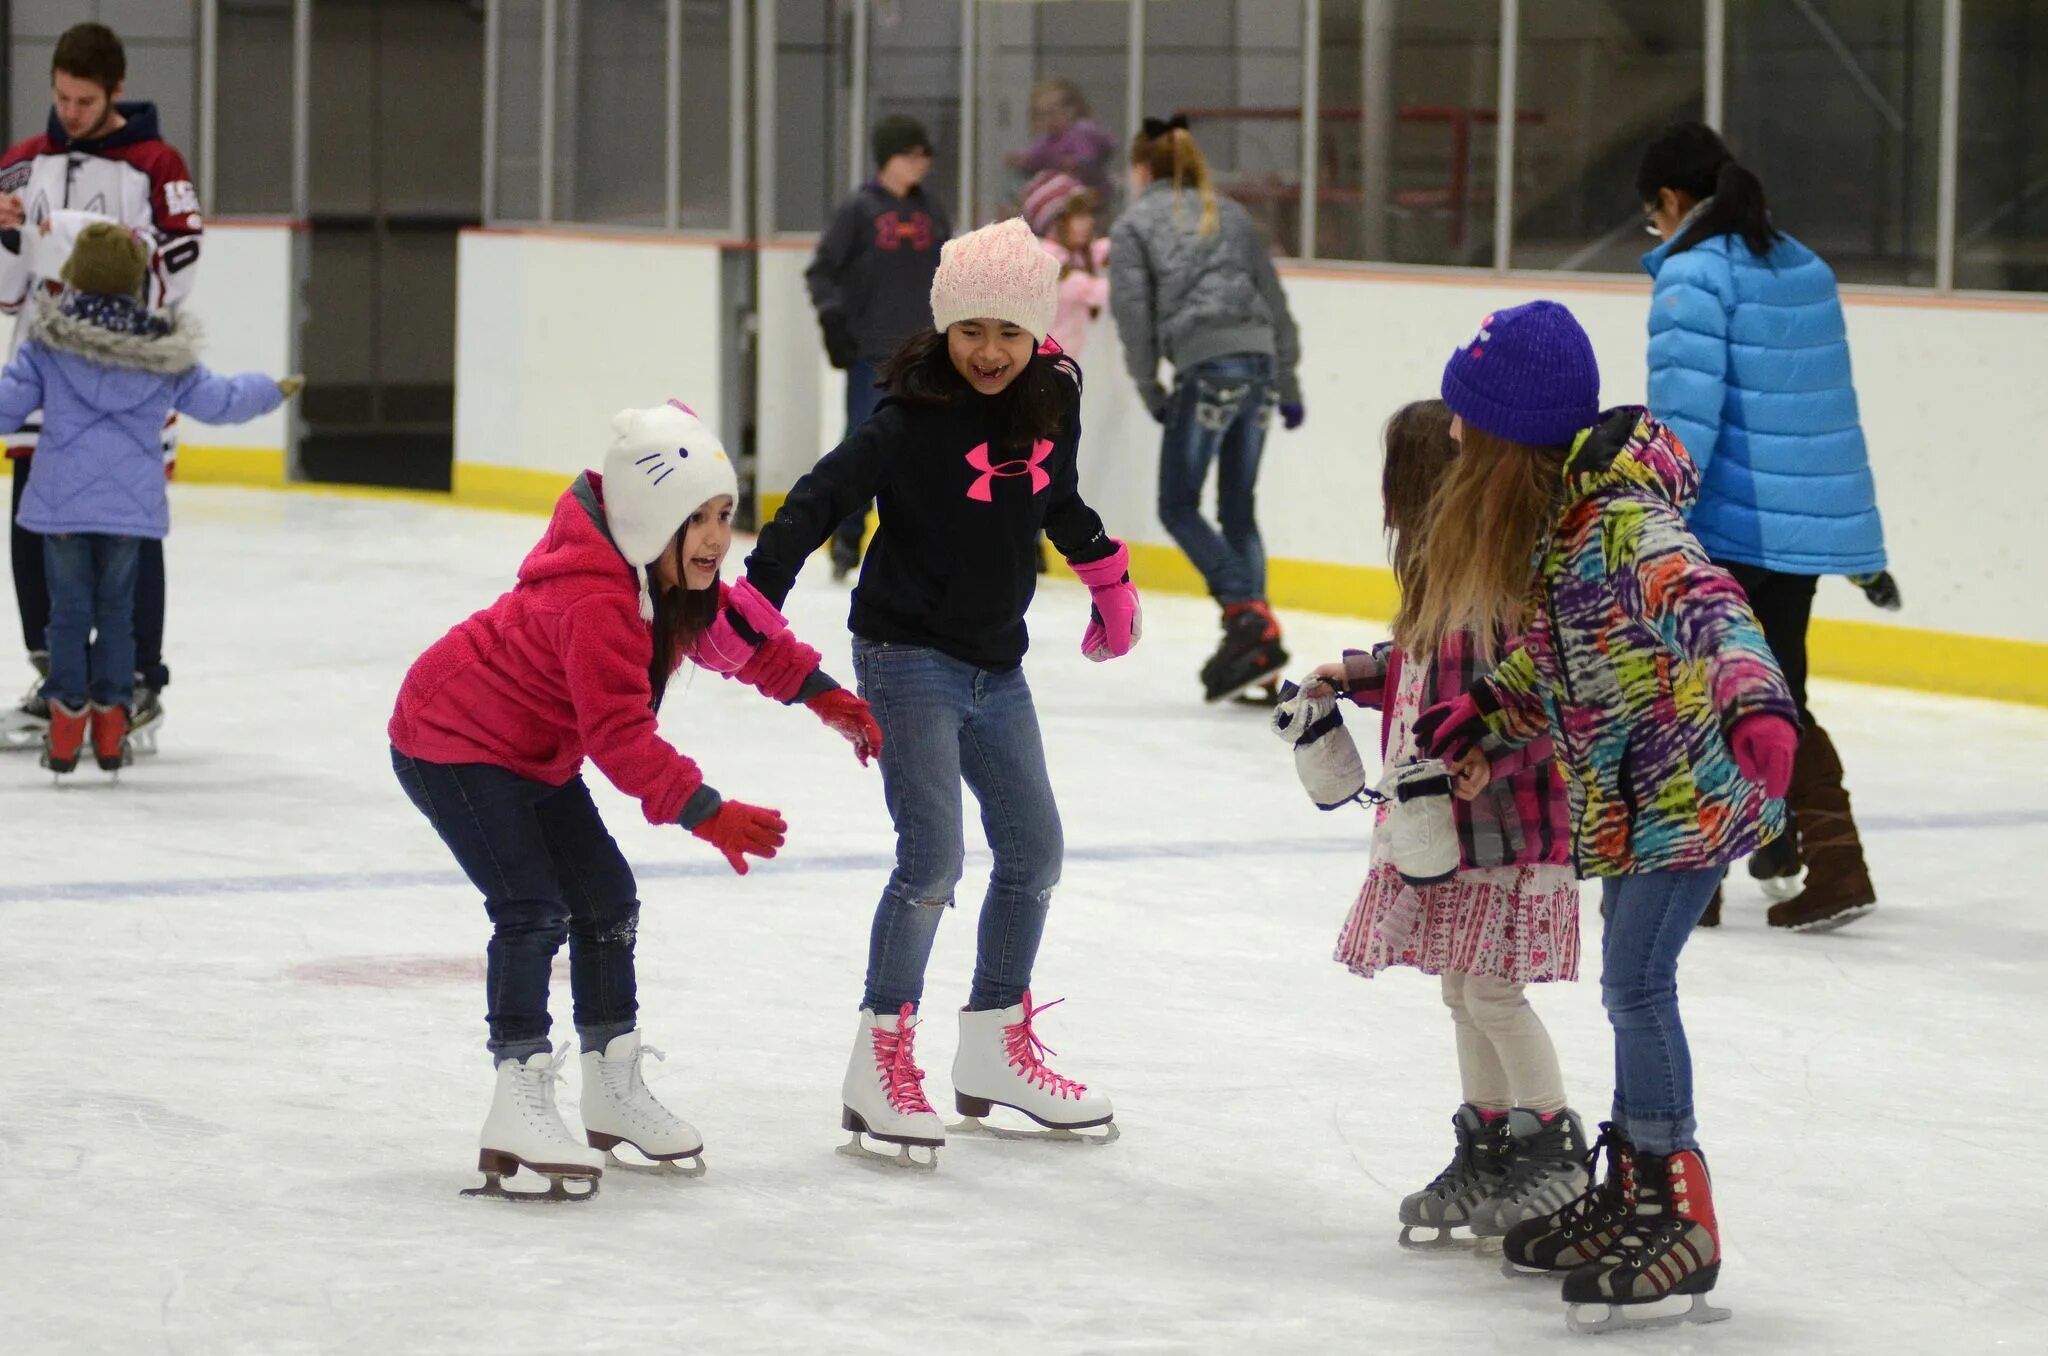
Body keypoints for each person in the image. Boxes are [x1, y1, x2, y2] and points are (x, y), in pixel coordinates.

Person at [1410, 301, 1799, 1332]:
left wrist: (1755, 701)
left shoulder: (1624, 522)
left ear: (1507, 433)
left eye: (1464, 419)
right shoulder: (1568, 521)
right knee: (1629, 986)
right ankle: (1632, 1189)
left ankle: (1679, 1209)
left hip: (1691, 789)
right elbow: (1563, 653)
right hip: (1633, 797)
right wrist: (1489, 710)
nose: (1451, 434)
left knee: (1635, 985)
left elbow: (1711, 607)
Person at [388, 401, 883, 1201]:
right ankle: (517, 1096)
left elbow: (743, 642)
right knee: (531, 909)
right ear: (653, 517)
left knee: (608, 900)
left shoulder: (668, 580)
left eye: (725, 515)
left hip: (535, 751)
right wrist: (707, 808)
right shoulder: (596, 602)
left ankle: (611, 1089)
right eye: (700, 519)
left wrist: (828, 699)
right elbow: (620, 739)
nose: (720, 538)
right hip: (452, 739)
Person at [747, 219, 1141, 1167]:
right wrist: (755, 603)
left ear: (1038, 330)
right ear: (944, 329)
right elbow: (815, 501)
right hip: (905, 655)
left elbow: (1056, 498)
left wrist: (1105, 574)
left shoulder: (1053, 396)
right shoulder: (908, 415)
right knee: (932, 860)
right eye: (971, 331)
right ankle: (879, 1060)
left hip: (996, 664)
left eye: (1009, 331)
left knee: (1034, 850)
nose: (990, 352)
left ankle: (993, 1042)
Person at [1303, 399, 1585, 1250]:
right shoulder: (1441, 581)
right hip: (1452, 825)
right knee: (1463, 988)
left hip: (1510, 826)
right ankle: (1490, 1145)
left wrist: (1493, 759)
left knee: (1491, 989)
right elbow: (1423, 670)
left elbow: (1540, 700)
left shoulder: (1501, 585)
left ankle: (1554, 1147)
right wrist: (1357, 675)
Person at [1637, 121, 1893, 932]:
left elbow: (1686, 414)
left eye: (1653, 213)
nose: (1655, 230)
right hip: (1799, 530)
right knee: (1776, 686)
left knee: (1694, 690)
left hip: (1729, 524)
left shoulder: (1690, 275)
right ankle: (1798, 851)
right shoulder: (1803, 265)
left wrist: (1656, 506)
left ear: (1673, 201)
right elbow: (1825, 415)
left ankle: (1699, 880)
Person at [0, 224, 291, 776]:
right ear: (136, 282)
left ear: (75, 278)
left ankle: (64, 734)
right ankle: (111, 733)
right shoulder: (164, 352)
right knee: (117, 617)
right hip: (129, 511)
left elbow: (6, 406)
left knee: (66, 616)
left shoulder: (49, 345)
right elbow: (220, 401)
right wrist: (269, 389)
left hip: (61, 505)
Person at [0, 22, 203, 753]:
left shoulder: (156, 164)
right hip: (46, 375)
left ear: (115, 91)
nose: (71, 112)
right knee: (33, 522)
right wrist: (10, 237)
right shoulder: (25, 163)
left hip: (126, 380)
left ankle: (136, 681)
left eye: (85, 99)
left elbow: (178, 270)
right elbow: (9, 292)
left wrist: (105, 249)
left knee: (128, 528)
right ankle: (57, 679)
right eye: (61, 97)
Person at [1109, 115, 1304, 705]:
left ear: (1142, 169)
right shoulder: (1232, 214)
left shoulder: (1134, 224)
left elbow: (1132, 315)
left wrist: (1150, 388)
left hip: (1208, 366)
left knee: (1177, 504)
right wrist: (1287, 378)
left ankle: (1247, 616)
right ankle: (1259, 657)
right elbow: (1271, 295)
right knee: (1238, 509)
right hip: (1261, 364)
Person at [805, 114, 953, 581]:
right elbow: (822, 269)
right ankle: (847, 536)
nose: (920, 164)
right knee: (865, 443)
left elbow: (950, 266)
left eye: (924, 155)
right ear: (888, 158)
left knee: (927, 446)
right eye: (911, 155)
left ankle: (921, 540)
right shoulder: (859, 209)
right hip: (873, 352)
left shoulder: (932, 210)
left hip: (925, 351)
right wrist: (833, 317)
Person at [1023, 171, 1110, 359]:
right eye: (1079, 217)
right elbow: (1087, 289)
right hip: (1042, 368)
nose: (1089, 223)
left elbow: (1100, 250)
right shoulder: (1047, 262)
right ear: (1055, 223)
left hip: (1059, 365)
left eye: (1088, 215)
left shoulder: (1072, 254)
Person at [1007, 79, 1117, 200]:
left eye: (1051, 112)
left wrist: (1076, 162)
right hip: (1061, 197)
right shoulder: (1048, 140)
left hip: (1090, 195)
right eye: (1041, 115)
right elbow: (1036, 155)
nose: (1047, 120)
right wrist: (1022, 159)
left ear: (1070, 111)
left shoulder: (1083, 132)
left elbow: (1090, 155)